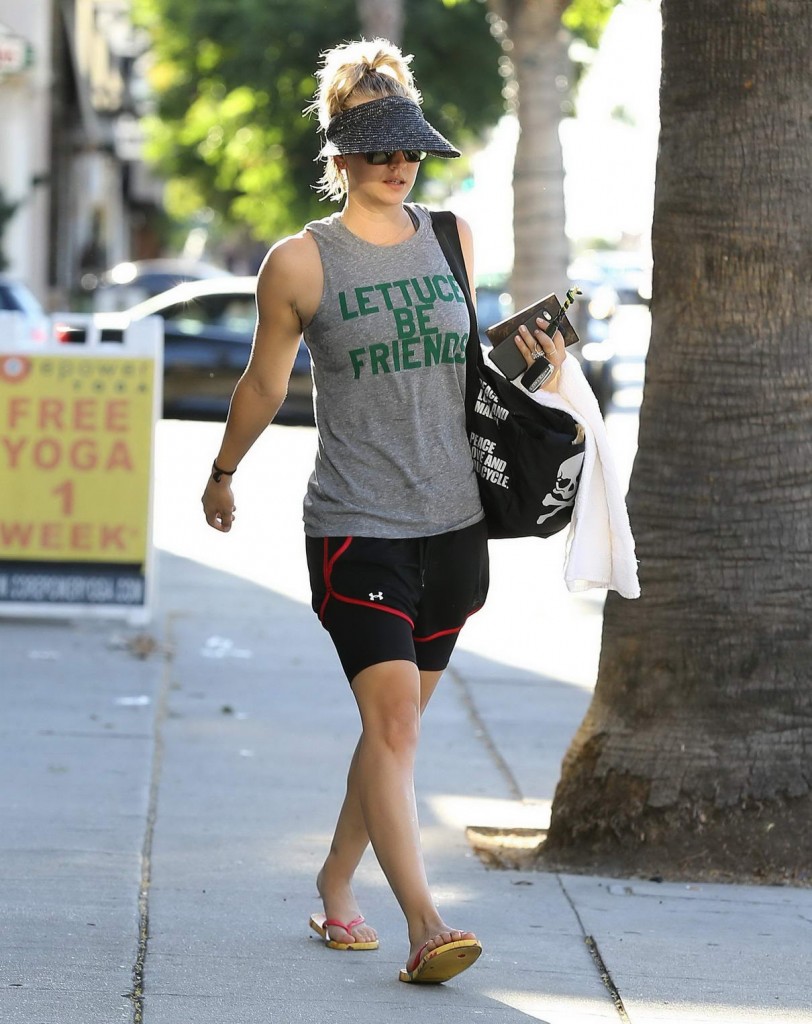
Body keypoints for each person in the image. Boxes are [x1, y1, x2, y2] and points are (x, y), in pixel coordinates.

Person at [201, 37, 566, 985]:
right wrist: (223, 471)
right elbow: (261, 382)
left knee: (389, 734)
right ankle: (425, 925)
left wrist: (538, 369)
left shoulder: (452, 238)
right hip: (356, 524)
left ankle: (333, 883)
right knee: (398, 725)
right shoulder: (298, 263)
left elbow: (467, 370)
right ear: (339, 154)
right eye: (377, 148)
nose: (399, 163)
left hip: (456, 528)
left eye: (408, 146)